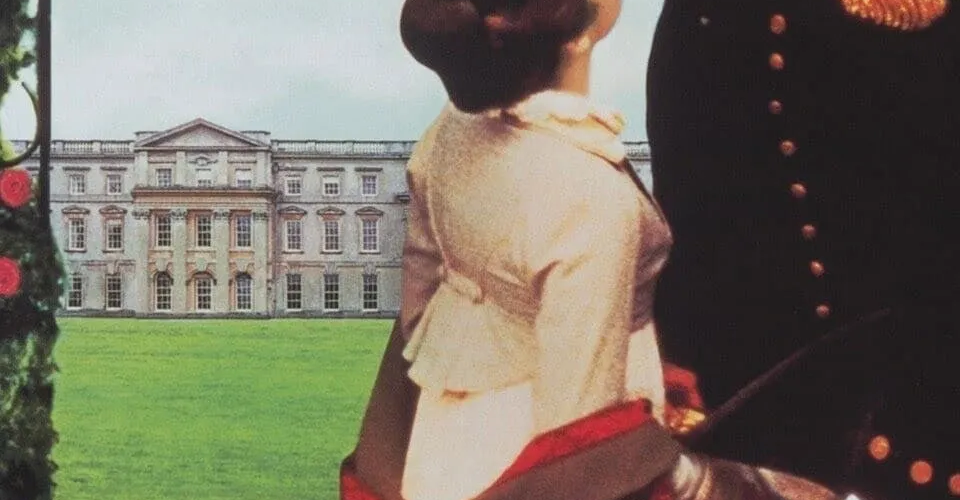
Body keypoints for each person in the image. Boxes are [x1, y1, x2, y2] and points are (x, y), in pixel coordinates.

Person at [340, 1, 839, 500]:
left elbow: (417, 315)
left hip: (442, 445)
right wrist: (725, 486)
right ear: (577, 38)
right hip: (529, 469)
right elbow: (582, 456)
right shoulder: (589, 198)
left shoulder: (449, 130)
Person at [647, 1, 960, 499]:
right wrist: (685, 354)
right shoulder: (724, 15)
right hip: (801, 379)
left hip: (936, 354)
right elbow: (693, 200)